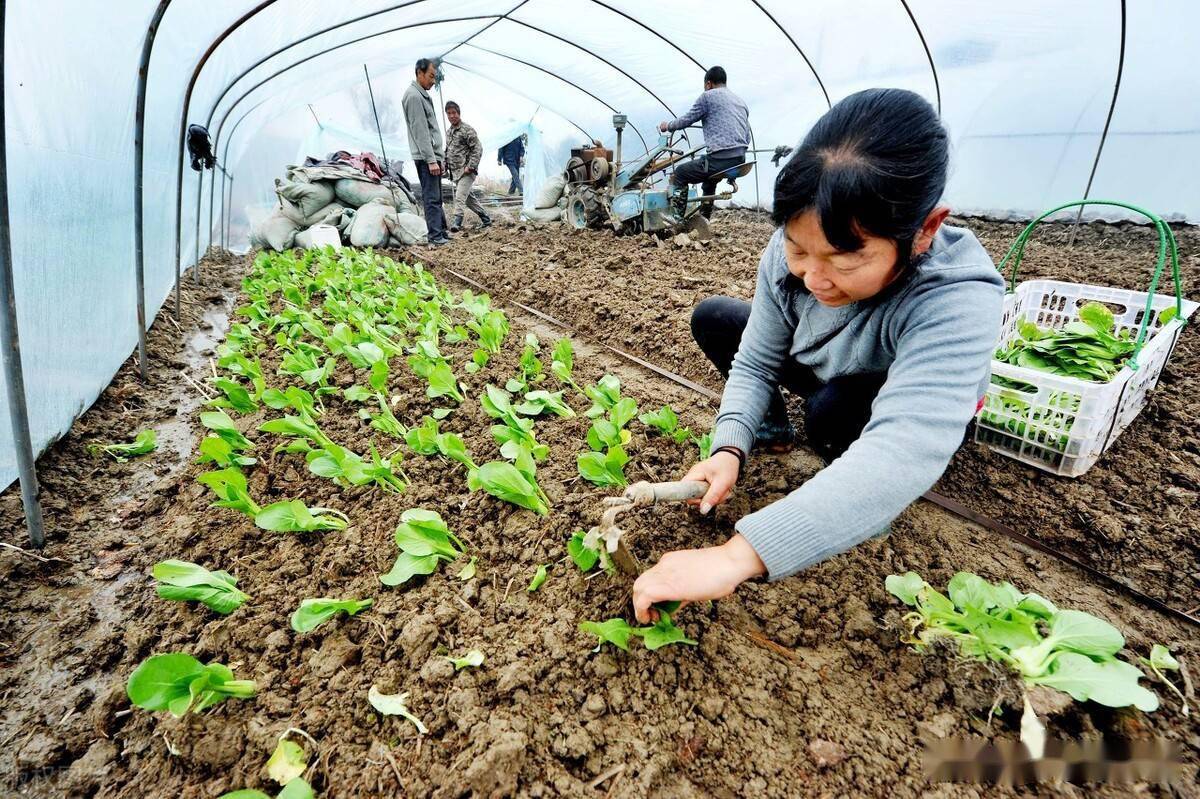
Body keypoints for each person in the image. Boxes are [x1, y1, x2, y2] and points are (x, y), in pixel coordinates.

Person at [631, 88, 1005, 624]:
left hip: (885, 400)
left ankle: (856, 504)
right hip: (828, 368)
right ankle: (770, 432)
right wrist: (728, 447)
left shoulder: (957, 293)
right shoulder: (800, 247)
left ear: (925, 230)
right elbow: (756, 360)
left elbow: (906, 444)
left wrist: (740, 555)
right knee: (717, 318)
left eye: (844, 257)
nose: (813, 276)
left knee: (832, 414)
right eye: (798, 249)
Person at [659, 66, 750, 219]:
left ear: (708, 84)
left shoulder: (707, 97)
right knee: (709, 180)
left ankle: (676, 219)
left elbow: (687, 119)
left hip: (720, 161)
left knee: (680, 173)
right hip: (740, 161)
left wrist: (668, 126)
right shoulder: (740, 102)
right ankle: (704, 218)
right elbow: (747, 137)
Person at [402, 58, 449, 246]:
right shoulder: (413, 96)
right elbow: (420, 131)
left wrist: (439, 157)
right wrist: (431, 160)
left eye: (435, 77)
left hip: (432, 156)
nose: (433, 81)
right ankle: (435, 236)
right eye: (430, 76)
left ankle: (441, 232)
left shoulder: (421, 95)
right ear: (419, 73)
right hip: (425, 157)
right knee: (431, 197)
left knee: (437, 197)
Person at [444, 101, 492, 232]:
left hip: (467, 171)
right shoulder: (448, 132)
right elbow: (447, 151)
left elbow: (478, 148)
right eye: (449, 113)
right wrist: (445, 167)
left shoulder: (467, 129)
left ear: (459, 113)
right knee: (469, 200)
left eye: (454, 113)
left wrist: (470, 166)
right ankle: (486, 219)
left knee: (459, 197)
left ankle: (456, 222)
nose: (452, 116)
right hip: (455, 172)